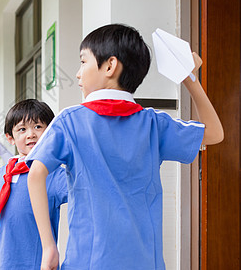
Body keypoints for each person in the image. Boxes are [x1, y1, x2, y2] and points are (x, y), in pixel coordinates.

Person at [26, 24, 224, 270]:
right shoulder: (153, 123)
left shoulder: (70, 121)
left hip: (87, 261)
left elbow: (35, 174)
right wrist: (189, 78)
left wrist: (49, 247)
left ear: (109, 66)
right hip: (145, 262)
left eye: (83, 62)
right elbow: (215, 133)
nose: (78, 73)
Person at [0, 99, 68, 270]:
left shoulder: (55, 173)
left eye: (38, 127)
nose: (31, 134)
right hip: (6, 264)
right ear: (10, 138)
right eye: (22, 129)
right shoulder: (4, 174)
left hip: (41, 264)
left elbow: (88, 190)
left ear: (50, 132)